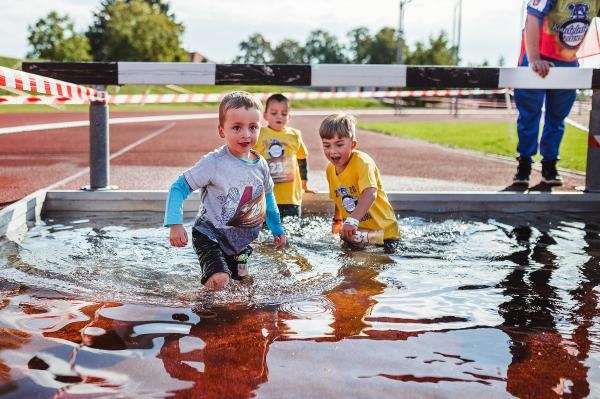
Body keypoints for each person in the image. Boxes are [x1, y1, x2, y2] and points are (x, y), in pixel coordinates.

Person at [164, 91, 286, 291]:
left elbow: (268, 197)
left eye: (253, 127)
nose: (246, 134)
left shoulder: (261, 164)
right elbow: (178, 187)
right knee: (220, 279)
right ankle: (200, 306)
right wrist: (175, 223)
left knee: (240, 285)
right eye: (237, 128)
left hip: (241, 241)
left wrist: (277, 227)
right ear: (222, 131)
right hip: (209, 235)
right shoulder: (214, 163)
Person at [513, 0, 600, 186]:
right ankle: (525, 162)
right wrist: (534, 58)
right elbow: (532, 18)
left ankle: (550, 164)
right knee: (529, 115)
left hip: (566, 60)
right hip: (537, 54)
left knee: (557, 116)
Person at [318, 113, 400, 254]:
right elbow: (338, 198)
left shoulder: (362, 162)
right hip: (357, 235)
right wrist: (337, 222)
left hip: (383, 235)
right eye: (327, 145)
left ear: (353, 144)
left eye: (339, 144)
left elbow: (370, 193)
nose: (332, 151)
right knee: (347, 271)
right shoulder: (330, 169)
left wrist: (352, 221)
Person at [253, 93, 316, 218]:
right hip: (266, 197)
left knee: (291, 233)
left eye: (284, 113)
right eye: (274, 113)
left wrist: (305, 183)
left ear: (289, 116)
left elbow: (302, 158)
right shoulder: (259, 134)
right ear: (265, 115)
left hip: (290, 197)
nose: (279, 116)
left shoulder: (294, 135)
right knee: (266, 233)